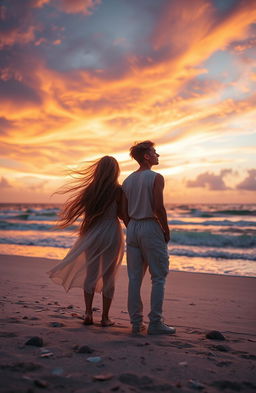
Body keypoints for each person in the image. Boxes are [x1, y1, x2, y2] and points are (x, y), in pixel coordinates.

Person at [48, 156, 125, 327]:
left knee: (91, 274)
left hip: (92, 234)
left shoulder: (91, 190)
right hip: (111, 233)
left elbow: (88, 216)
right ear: (115, 171)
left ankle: (88, 314)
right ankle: (105, 318)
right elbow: (122, 215)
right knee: (109, 276)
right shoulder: (118, 190)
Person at [122, 141, 176, 335]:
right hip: (150, 226)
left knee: (134, 278)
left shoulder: (127, 180)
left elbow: (124, 210)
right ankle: (155, 322)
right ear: (146, 156)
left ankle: (136, 323)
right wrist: (165, 229)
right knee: (158, 276)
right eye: (154, 152)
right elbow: (158, 207)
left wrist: (133, 227)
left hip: (133, 227)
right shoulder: (155, 177)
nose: (157, 155)